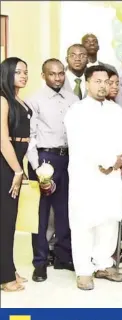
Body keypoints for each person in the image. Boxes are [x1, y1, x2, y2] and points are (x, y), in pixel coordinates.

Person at [64, 65, 122, 290]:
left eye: (107, 82)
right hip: (87, 173)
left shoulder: (116, 111)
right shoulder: (77, 111)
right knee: (84, 220)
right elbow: (81, 142)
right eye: (98, 81)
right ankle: (83, 270)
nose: (103, 86)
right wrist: (104, 162)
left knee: (109, 218)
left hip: (111, 174)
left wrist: (118, 159)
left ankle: (103, 264)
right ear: (87, 83)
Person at [25, 59, 80, 282]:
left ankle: (63, 257)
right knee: (41, 213)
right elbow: (30, 137)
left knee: (66, 209)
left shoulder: (74, 99)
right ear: (43, 75)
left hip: (69, 158)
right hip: (44, 158)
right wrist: (37, 167)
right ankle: (40, 262)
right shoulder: (34, 100)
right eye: (52, 74)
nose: (57, 78)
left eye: (60, 74)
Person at [0, 57, 31, 292]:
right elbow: (3, 140)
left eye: (26, 72)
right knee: (5, 221)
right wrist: (17, 170)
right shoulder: (2, 100)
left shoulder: (17, 98)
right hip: (6, 165)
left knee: (10, 222)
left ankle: (8, 269)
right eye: (18, 72)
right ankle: (5, 277)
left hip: (16, 162)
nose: (23, 75)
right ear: (7, 73)